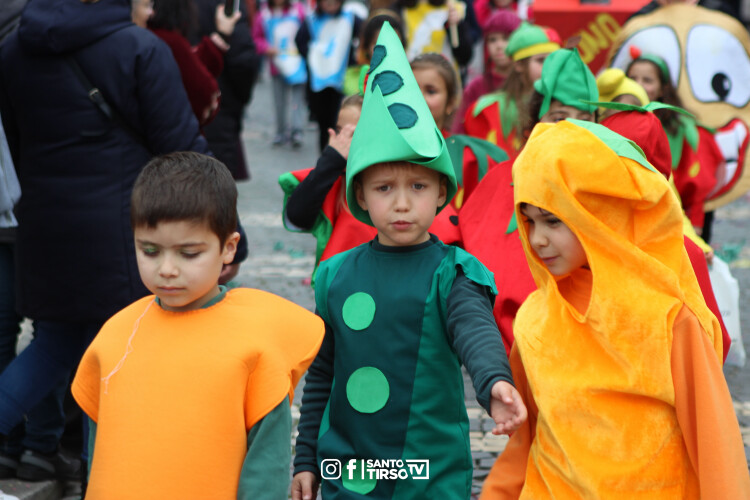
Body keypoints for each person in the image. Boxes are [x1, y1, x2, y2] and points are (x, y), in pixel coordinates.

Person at [291, 22, 526, 500]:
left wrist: (494, 381)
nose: (402, 204)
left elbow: (475, 330)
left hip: (426, 471)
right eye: (384, 188)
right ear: (360, 194)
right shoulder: (335, 274)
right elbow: (323, 372)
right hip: (349, 472)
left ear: (442, 191)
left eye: (417, 187)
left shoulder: (453, 272)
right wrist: (306, 458)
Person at [0, 0, 220, 479]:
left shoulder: (13, 50)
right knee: (124, 356)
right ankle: (102, 478)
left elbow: (16, 143)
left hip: (43, 224)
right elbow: (180, 147)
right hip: (122, 230)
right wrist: (220, 232)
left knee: (53, 344)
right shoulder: (140, 48)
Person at [479, 119, 750, 499]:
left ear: (597, 215)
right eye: (528, 221)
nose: (537, 239)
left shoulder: (669, 319)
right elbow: (526, 439)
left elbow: (714, 444)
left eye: (554, 220)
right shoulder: (534, 318)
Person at [72, 152, 325, 498]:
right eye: (149, 250)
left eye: (188, 253)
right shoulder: (115, 335)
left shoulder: (257, 344)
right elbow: (100, 457)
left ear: (228, 248)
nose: (167, 269)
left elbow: (267, 467)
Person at [459, 48, 598, 353]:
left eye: (586, 119)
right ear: (537, 121)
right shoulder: (503, 179)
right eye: (560, 117)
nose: (573, 129)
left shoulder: (605, 184)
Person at [626, 47, 723, 238]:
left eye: (647, 80)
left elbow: (699, 181)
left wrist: (693, 226)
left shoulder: (684, 129)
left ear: (663, 89)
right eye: (632, 79)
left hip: (681, 218)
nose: (638, 86)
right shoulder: (615, 121)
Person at [463, 22, 559, 160]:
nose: (550, 68)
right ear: (519, 65)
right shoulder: (489, 110)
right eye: (541, 60)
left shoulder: (566, 106)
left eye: (554, 60)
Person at [194, 0, 261, 180]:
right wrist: (239, 100)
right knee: (214, 193)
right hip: (218, 108)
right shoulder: (225, 5)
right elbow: (243, 61)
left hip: (183, 113)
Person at [147, 0, 241, 127]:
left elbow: (190, 65)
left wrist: (221, 37)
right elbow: (205, 97)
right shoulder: (168, 40)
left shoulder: (157, 38)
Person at [296, 0, 363, 152]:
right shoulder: (311, 20)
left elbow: (363, 35)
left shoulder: (350, 19)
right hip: (319, 82)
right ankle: (325, 156)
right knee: (324, 125)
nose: (331, 6)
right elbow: (300, 41)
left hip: (342, 80)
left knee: (342, 122)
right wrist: (315, 58)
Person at [451, 9, 520, 135]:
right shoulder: (476, 86)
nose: (499, 45)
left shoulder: (527, 81)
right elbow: (460, 131)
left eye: (506, 38)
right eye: (492, 39)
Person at [253, 0, 307, 147]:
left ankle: (297, 130)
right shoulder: (264, 14)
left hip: (297, 64)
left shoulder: (298, 11)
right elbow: (256, 38)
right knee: (279, 101)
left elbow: (308, 31)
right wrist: (266, 48)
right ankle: (281, 131)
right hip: (276, 65)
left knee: (297, 99)